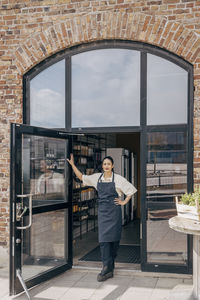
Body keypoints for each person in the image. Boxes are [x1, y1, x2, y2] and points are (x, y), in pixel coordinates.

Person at [67, 154, 137, 282]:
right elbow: (81, 177)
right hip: (103, 213)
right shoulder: (96, 178)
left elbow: (131, 190)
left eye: (108, 164)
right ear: (102, 166)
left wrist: (124, 202)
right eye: (104, 164)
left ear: (112, 166)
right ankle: (106, 267)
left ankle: (110, 265)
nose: (106, 166)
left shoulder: (118, 179)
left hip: (114, 213)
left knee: (114, 240)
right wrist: (72, 165)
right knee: (103, 240)